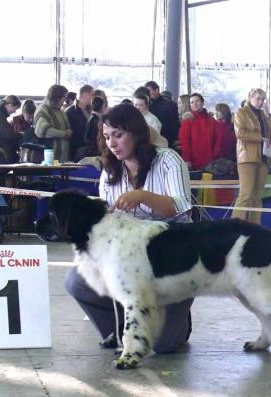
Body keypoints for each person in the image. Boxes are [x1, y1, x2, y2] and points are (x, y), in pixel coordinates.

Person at [64, 103, 194, 353]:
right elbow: (105, 220)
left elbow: (181, 206)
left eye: (118, 135)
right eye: (106, 137)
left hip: (171, 255)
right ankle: (120, 328)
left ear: (136, 132)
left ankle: (177, 320)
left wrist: (143, 196)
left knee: (162, 346)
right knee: (76, 281)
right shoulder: (108, 173)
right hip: (127, 257)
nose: (112, 143)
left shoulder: (168, 160)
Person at [231, 88, 271, 224]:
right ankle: (235, 226)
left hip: (263, 158)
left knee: (257, 196)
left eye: (263, 99)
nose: (261, 102)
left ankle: (254, 227)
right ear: (250, 97)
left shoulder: (264, 115)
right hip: (247, 157)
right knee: (245, 194)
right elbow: (240, 133)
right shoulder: (241, 112)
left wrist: (268, 115)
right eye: (258, 99)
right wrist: (261, 138)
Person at [179, 93, 218, 170]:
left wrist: (215, 155)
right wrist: (187, 159)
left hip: (211, 161)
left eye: (197, 101)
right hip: (194, 161)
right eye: (192, 102)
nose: (195, 104)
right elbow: (184, 141)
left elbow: (218, 139)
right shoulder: (188, 120)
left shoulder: (212, 121)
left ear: (202, 103)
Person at [34, 84, 73, 163]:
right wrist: (64, 134)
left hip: (61, 157)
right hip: (48, 157)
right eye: (64, 97)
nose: (65, 100)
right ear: (57, 97)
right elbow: (42, 131)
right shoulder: (43, 109)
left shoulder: (60, 111)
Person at [0, 95, 22, 163]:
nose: (14, 112)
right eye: (15, 109)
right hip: (0, 151)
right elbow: (8, 135)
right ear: (10, 105)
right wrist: (21, 135)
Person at [145, 81, 180, 146]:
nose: (147, 94)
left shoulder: (170, 105)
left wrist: (172, 140)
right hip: (149, 141)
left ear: (156, 90)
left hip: (166, 141)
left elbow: (175, 124)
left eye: (149, 91)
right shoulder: (146, 106)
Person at [66, 85, 94, 160]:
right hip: (76, 151)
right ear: (85, 95)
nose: (93, 98)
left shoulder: (90, 110)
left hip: (89, 150)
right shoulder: (70, 112)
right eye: (92, 95)